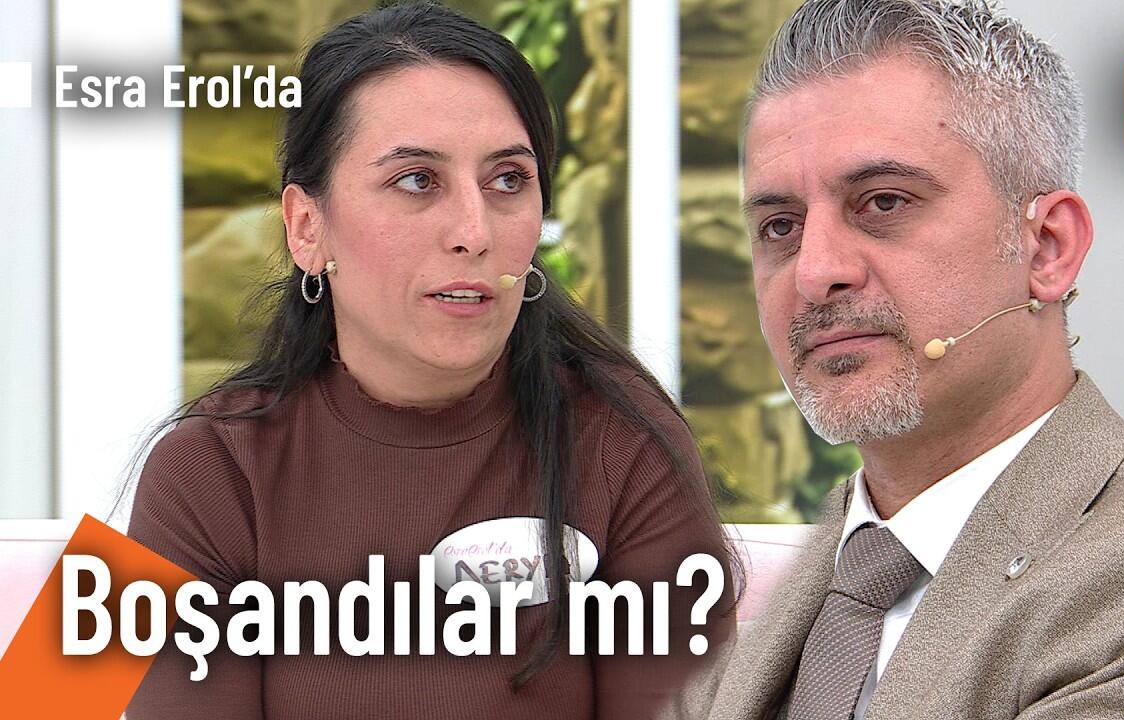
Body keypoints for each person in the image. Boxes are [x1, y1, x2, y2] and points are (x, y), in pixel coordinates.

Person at [125, 3, 733, 719]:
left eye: (508, 180)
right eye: (418, 180)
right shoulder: (204, 468)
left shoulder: (625, 442)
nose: (475, 231)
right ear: (307, 227)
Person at [695, 1, 1124, 718]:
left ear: (1048, 248)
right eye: (780, 226)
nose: (816, 272)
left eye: (883, 203)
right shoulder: (761, 588)